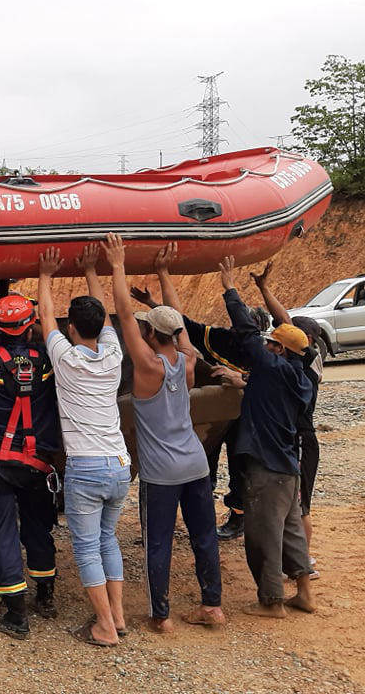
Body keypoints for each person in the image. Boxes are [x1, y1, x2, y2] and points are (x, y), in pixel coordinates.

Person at [105, 234, 225, 633]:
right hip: (195, 464)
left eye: (145, 329)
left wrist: (118, 264)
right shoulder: (188, 360)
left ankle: (162, 616)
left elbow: (124, 315)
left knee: (158, 543)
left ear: (152, 335)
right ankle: (213, 606)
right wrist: (163, 271)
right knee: (204, 536)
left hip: (161, 475)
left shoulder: (148, 366)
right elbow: (178, 315)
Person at [132, 254, 271, 540]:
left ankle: (238, 516)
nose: (238, 328)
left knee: (240, 464)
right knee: (206, 459)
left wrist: (242, 380)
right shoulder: (219, 337)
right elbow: (178, 322)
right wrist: (154, 295)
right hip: (216, 413)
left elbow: (273, 380)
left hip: (250, 417)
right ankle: (202, 512)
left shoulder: (265, 354)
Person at [38, 243, 129, 648]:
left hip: (87, 468)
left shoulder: (66, 359)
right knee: (108, 539)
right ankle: (119, 617)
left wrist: (44, 274)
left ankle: (105, 626)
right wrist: (95, 269)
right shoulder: (114, 356)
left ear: (71, 329)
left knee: (88, 548)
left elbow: (43, 317)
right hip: (119, 464)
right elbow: (105, 317)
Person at [218, 256, 316, 618]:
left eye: (273, 343)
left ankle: (272, 602)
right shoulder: (300, 374)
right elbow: (290, 335)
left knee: (263, 535)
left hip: (267, 467)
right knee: (291, 533)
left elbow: (245, 332)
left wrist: (230, 288)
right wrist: (261, 288)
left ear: (280, 351)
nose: (268, 346)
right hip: (288, 467)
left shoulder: (272, 366)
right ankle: (304, 593)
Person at [0, 292, 62, 640]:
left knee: (2, 532)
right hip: (38, 464)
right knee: (38, 527)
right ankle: (46, 598)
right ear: (30, 325)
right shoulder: (52, 358)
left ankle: (16, 614)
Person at [249, 262, 323, 577]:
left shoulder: (306, 366)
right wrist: (264, 289)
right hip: (293, 443)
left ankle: (304, 565)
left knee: (300, 506)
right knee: (292, 504)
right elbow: (285, 324)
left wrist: (265, 290)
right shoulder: (296, 363)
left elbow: (284, 321)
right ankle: (298, 565)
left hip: (302, 441)